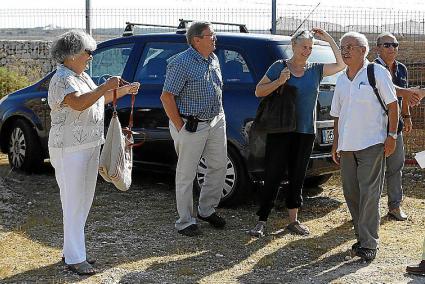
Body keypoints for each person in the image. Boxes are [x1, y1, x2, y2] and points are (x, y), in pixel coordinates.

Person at [48, 30, 139, 275]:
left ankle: (72, 252)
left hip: (88, 145)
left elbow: (99, 98)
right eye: (87, 52)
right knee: (74, 201)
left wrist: (124, 91)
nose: (90, 57)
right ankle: (75, 258)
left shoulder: (81, 76)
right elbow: (78, 102)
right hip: (69, 149)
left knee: (82, 202)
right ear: (72, 54)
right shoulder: (62, 79)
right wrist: (104, 87)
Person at [248, 28, 345, 237]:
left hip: (305, 132)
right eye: (304, 47)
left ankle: (293, 221)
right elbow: (258, 91)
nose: (307, 51)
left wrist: (328, 39)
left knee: (298, 176)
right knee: (273, 174)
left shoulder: (315, 70)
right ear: (293, 46)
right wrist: (279, 82)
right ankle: (262, 220)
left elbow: (341, 64)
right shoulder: (279, 67)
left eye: (310, 47)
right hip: (281, 129)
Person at [331, 32, 398, 261]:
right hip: (347, 147)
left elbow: (392, 106)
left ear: (363, 50)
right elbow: (337, 115)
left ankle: (369, 243)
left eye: (350, 46)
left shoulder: (376, 73)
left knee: (370, 194)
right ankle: (361, 237)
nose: (345, 50)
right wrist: (335, 143)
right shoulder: (341, 79)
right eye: (342, 47)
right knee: (351, 194)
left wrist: (391, 136)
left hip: (372, 143)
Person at [160, 21, 227, 237]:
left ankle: (206, 210)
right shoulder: (181, 63)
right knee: (186, 174)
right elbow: (166, 96)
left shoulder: (213, 59)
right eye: (211, 35)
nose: (215, 38)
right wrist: (181, 127)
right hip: (191, 125)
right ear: (196, 40)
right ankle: (185, 221)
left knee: (218, 167)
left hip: (216, 121)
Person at [375, 32, 415, 221]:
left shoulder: (401, 69)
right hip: (374, 128)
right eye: (387, 45)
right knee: (372, 171)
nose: (392, 48)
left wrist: (406, 116)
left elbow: (403, 96)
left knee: (395, 167)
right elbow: (392, 91)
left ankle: (394, 206)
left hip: (395, 127)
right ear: (378, 48)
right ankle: (366, 210)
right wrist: (415, 92)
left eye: (395, 44)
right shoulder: (371, 69)